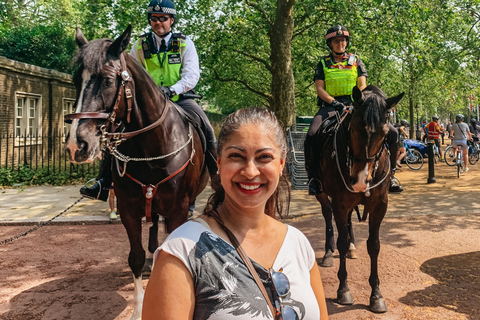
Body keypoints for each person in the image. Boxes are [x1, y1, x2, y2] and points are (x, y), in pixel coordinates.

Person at [143, 107, 329, 320]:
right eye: (236, 156)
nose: (250, 172)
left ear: (281, 164)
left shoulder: (298, 244)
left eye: (264, 157)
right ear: (219, 163)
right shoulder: (181, 251)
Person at [80, 0, 218, 201]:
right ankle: (103, 181)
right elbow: (131, 73)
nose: (158, 23)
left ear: (172, 20)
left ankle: (216, 175)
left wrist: (172, 90)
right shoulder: (140, 44)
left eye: (163, 19)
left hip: (180, 99)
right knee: (116, 132)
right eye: (154, 19)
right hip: (147, 104)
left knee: (206, 127)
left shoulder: (185, 43)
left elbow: (192, 75)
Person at [305, 25, 402, 195]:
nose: (340, 43)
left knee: (392, 133)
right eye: (336, 41)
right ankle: (314, 177)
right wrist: (334, 102)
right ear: (330, 44)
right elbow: (320, 88)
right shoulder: (322, 63)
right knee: (312, 134)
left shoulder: (356, 61)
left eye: (343, 40)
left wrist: (360, 101)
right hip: (330, 106)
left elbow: (362, 85)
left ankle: (391, 174)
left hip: (356, 105)